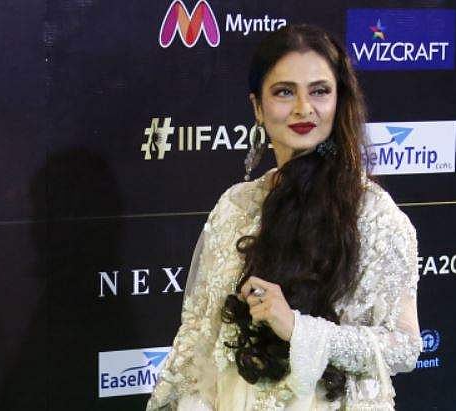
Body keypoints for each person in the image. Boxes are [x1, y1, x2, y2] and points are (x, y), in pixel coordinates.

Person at [146, 24, 422, 411]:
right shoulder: (236, 205)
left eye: (319, 91)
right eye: (284, 92)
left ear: (339, 100)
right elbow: (198, 335)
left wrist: (300, 330)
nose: (303, 108)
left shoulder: (373, 214)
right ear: (258, 107)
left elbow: (405, 347)